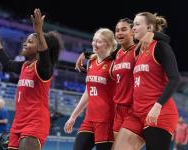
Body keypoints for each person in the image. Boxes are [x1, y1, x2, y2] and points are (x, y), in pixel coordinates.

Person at [75, 18, 170, 150]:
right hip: (118, 110)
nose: (119, 32)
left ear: (133, 31)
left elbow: (164, 40)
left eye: (124, 29)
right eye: (117, 30)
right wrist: (85, 54)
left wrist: (152, 33)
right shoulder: (118, 53)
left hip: (134, 108)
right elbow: (103, 53)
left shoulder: (139, 49)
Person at [0, 8, 62, 150]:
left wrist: (39, 31)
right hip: (18, 122)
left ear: (39, 47)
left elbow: (45, 57)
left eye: (30, 42)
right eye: (26, 41)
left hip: (35, 123)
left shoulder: (43, 69)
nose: (25, 43)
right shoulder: (24, 65)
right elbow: (6, 64)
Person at [131, 12, 180, 150]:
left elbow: (175, 78)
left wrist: (157, 106)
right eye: (133, 24)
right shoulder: (137, 51)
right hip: (138, 114)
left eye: (137, 24)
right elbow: (115, 49)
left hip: (159, 113)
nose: (133, 27)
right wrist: (87, 55)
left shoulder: (160, 46)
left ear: (149, 28)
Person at [64, 28, 117, 150]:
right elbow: (88, 91)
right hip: (89, 119)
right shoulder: (91, 62)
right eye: (94, 40)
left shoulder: (114, 64)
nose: (94, 43)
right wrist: (73, 116)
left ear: (108, 44)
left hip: (106, 120)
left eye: (99, 41)